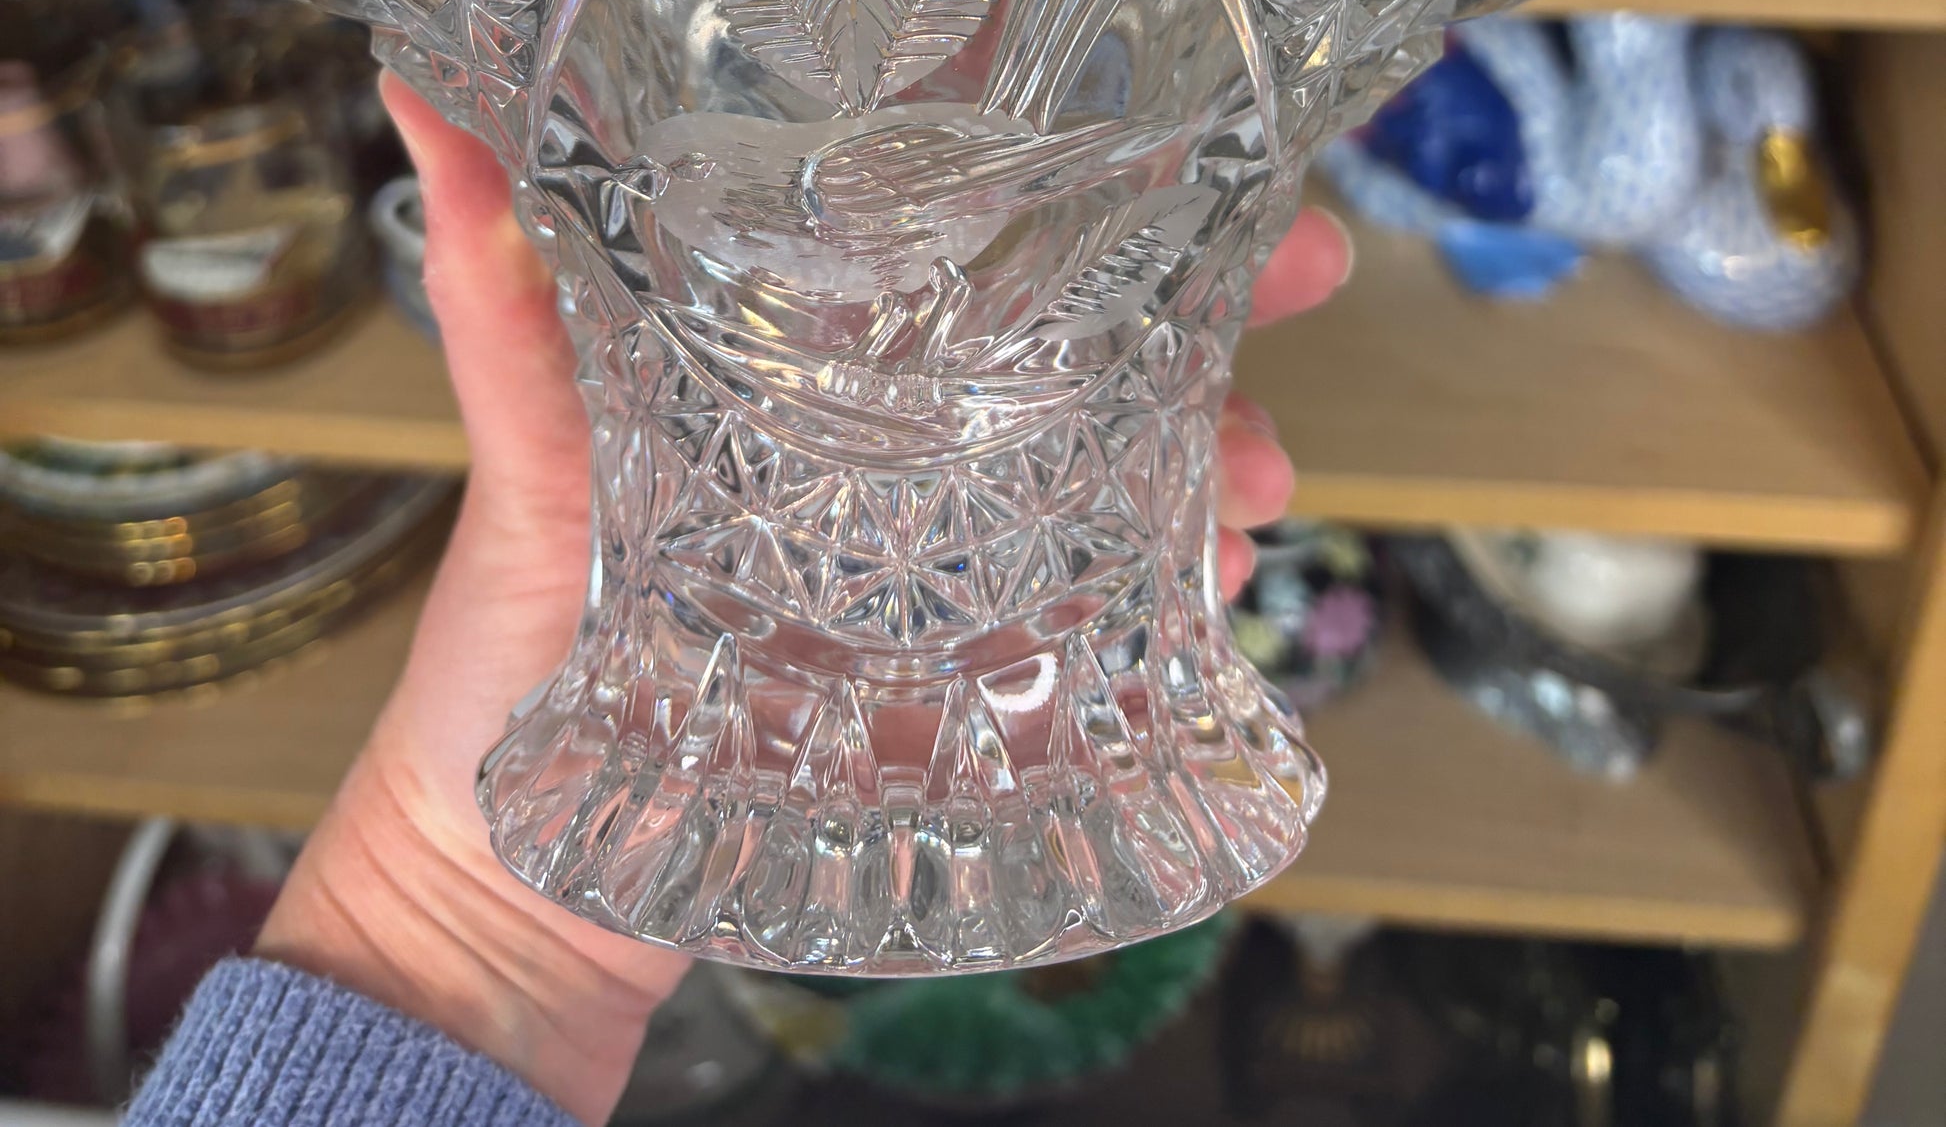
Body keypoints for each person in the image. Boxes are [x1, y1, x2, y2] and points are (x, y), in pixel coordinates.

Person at [126, 80, 1353, 1127]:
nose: (678, 195)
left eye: (691, 179)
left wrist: (452, 926)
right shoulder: (746, 200)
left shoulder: (813, 193)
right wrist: (455, 921)